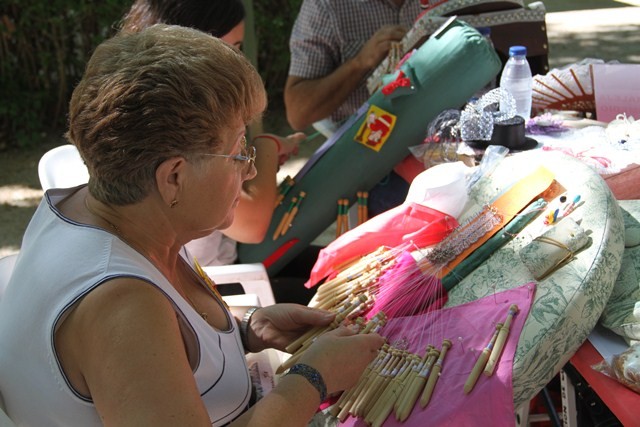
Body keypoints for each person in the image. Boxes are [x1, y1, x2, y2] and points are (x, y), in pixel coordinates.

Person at [0, 25, 384, 426]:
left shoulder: (117, 209)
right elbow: (136, 336)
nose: (251, 168)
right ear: (174, 178)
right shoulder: (121, 304)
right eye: (238, 152)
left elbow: (166, 344)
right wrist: (313, 379)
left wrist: (247, 329)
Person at [121, 0, 307, 267]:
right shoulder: (170, 119)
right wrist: (266, 148)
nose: (236, 63)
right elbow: (252, 225)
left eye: (238, 49)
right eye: (226, 48)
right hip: (208, 284)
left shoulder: (154, 99)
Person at [284, 0, 424, 217]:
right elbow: (298, 113)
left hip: (438, 144)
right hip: (373, 162)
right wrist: (360, 62)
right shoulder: (326, 6)